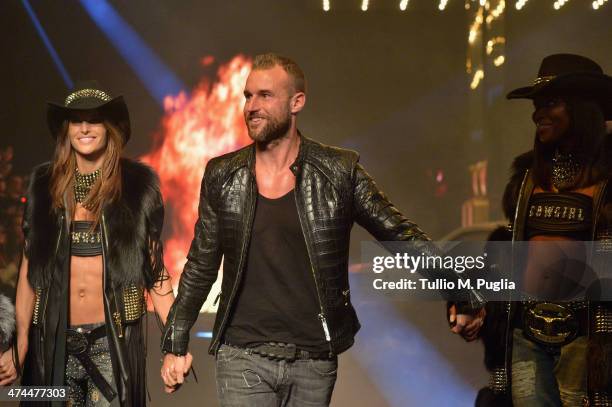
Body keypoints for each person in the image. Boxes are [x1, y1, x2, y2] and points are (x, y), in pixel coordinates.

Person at [159, 53, 481, 406]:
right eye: (248, 96)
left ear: (297, 102)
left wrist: (460, 290)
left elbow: (399, 235)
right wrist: (175, 342)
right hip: (242, 354)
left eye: (265, 95)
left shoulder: (339, 171)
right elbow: (201, 263)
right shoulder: (223, 175)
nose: (252, 106)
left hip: (313, 360)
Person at [0, 81, 177, 406]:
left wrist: (175, 346)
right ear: (65, 130)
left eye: (94, 119)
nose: (84, 128)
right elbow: (30, 271)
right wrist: (19, 345)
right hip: (50, 345)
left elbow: (156, 273)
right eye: (75, 120)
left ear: (110, 128)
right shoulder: (42, 185)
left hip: (112, 346)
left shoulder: (138, 187)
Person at [450, 54, 612, 406]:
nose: (538, 114)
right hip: (527, 336)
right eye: (537, 105)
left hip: (587, 340)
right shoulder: (528, 177)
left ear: (582, 108)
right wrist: (475, 302)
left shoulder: (607, 177)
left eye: (550, 103)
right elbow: (509, 252)